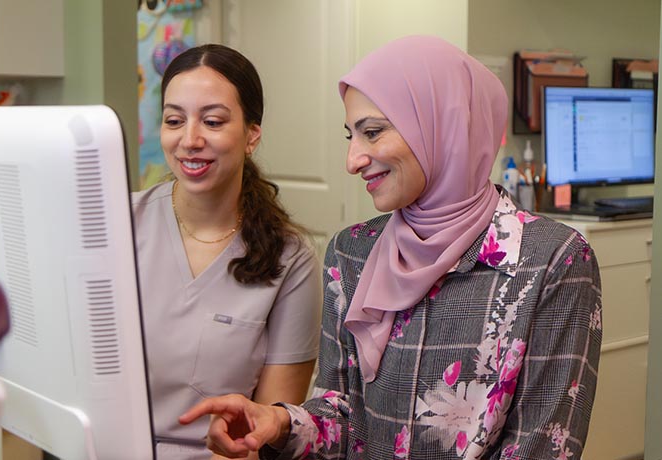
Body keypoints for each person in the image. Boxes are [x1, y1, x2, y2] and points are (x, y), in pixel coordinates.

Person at [179, 36, 603, 459]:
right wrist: (279, 422)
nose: (353, 159)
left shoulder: (553, 260)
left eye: (373, 132)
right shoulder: (352, 252)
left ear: (442, 126)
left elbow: (543, 447)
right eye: (351, 135)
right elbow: (343, 418)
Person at [131, 44, 323, 459]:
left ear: (252, 134)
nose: (190, 140)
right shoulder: (116, 225)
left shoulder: (290, 259)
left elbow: (266, 434)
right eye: (174, 120)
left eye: (213, 121)